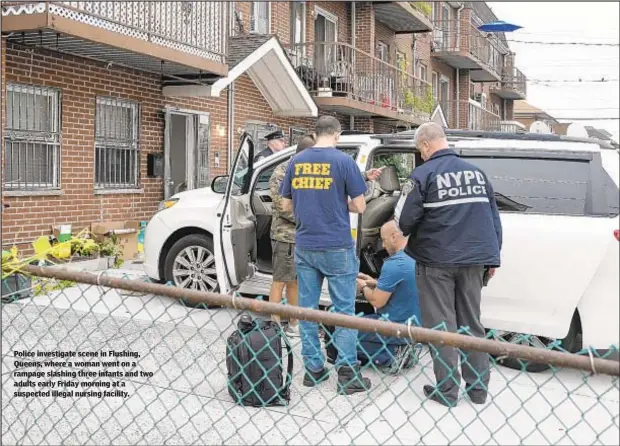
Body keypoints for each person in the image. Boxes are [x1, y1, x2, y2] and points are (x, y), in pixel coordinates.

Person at [395, 122, 502, 407]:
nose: (421, 154)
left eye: (420, 149)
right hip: (474, 261)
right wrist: (493, 258)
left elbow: (403, 220)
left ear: (426, 145)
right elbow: (493, 218)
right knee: (471, 323)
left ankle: (447, 390)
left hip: (436, 262)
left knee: (441, 326)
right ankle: (478, 389)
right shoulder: (477, 174)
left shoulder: (423, 175)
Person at [280, 115, 371, 395]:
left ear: (315, 133)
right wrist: (339, 203)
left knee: (307, 311)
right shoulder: (344, 162)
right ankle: (346, 373)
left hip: (306, 245)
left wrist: (310, 210)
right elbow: (361, 206)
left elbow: (285, 205)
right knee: (344, 311)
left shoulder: (296, 162)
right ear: (337, 135)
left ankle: (314, 370)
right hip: (337, 246)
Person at [354, 220, 421, 369]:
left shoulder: (394, 263)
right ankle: (406, 349)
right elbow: (403, 285)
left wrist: (363, 286)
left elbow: (377, 302)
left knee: (343, 331)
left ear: (394, 237)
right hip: (415, 327)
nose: (383, 246)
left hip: (393, 326)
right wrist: (374, 282)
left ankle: (391, 355)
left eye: (384, 240)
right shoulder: (418, 257)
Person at [268, 135, 316, 337]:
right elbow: (283, 207)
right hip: (285, 236)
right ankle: (274, 325)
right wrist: (312, 220)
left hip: (300, 236)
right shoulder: (282, 172)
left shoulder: (306, 168)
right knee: (280, 280)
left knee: (293, 281)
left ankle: (294, 323)